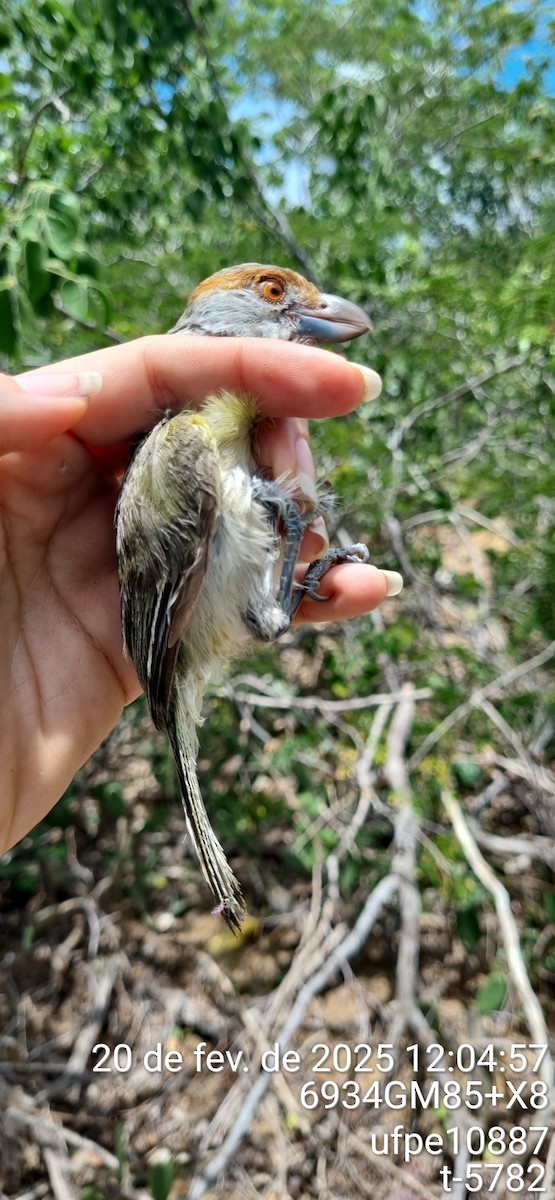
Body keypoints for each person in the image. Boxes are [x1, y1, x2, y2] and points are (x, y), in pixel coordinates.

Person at [0, 334, 402, 853]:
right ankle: (270, 604)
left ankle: (270, 601)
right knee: (276, 557)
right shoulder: (182, 436)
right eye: (275, 294)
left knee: (281, 534)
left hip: (171, 627)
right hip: (178, 626)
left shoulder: (210, 430)